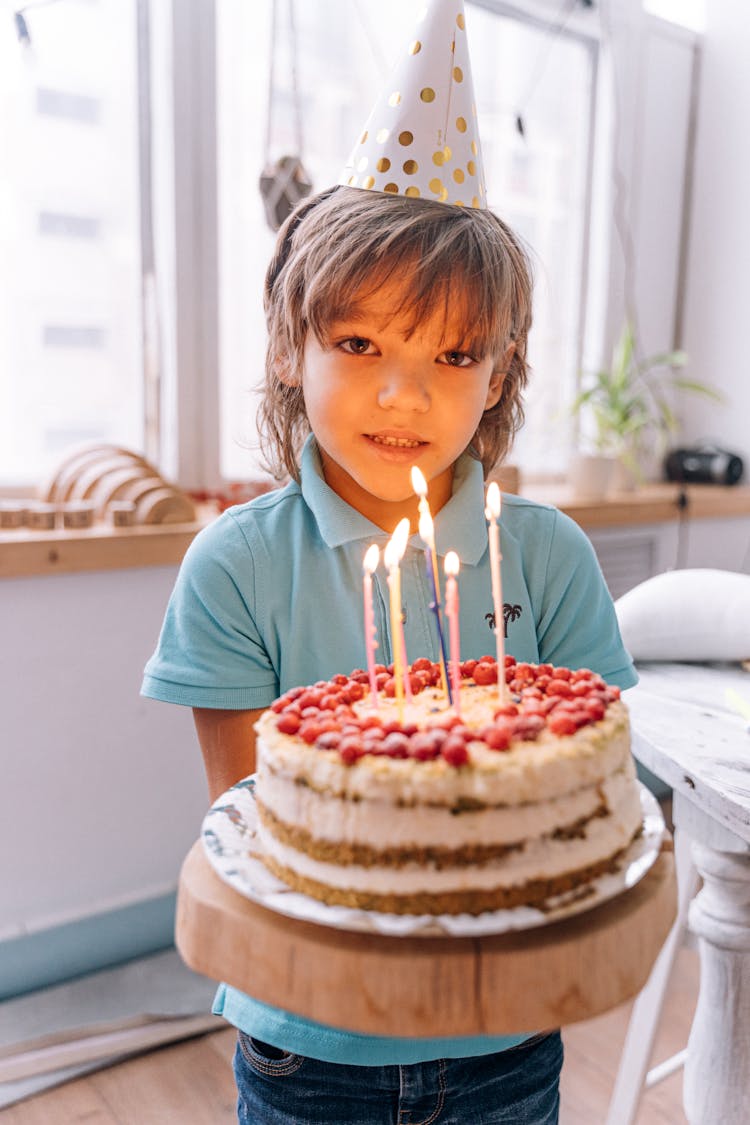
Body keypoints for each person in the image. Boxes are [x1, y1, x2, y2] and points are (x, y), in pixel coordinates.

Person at [142, 183, 637, 1124]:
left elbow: (591, 791)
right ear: (291, 350)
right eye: (360, 343)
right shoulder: (237, 564)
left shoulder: (548, 553)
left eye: (453, 353)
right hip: (309, 1034)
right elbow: (266, 824)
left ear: (499, 376)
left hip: (508, 1030)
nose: (404, 392)